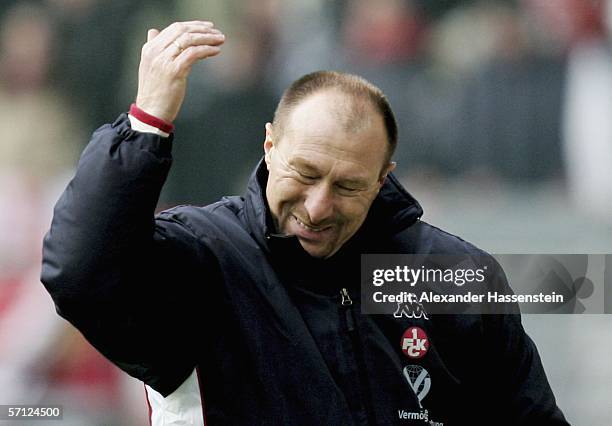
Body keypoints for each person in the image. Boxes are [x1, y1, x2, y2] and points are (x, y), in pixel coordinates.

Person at [41, 21, 569, 425]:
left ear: (384, 177)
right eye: (305, 173)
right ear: (270, 144)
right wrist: (146, 124)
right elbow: (81, 274)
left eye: (347, 186)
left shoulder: (452, 275)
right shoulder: (202, 259)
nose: (317, 207)